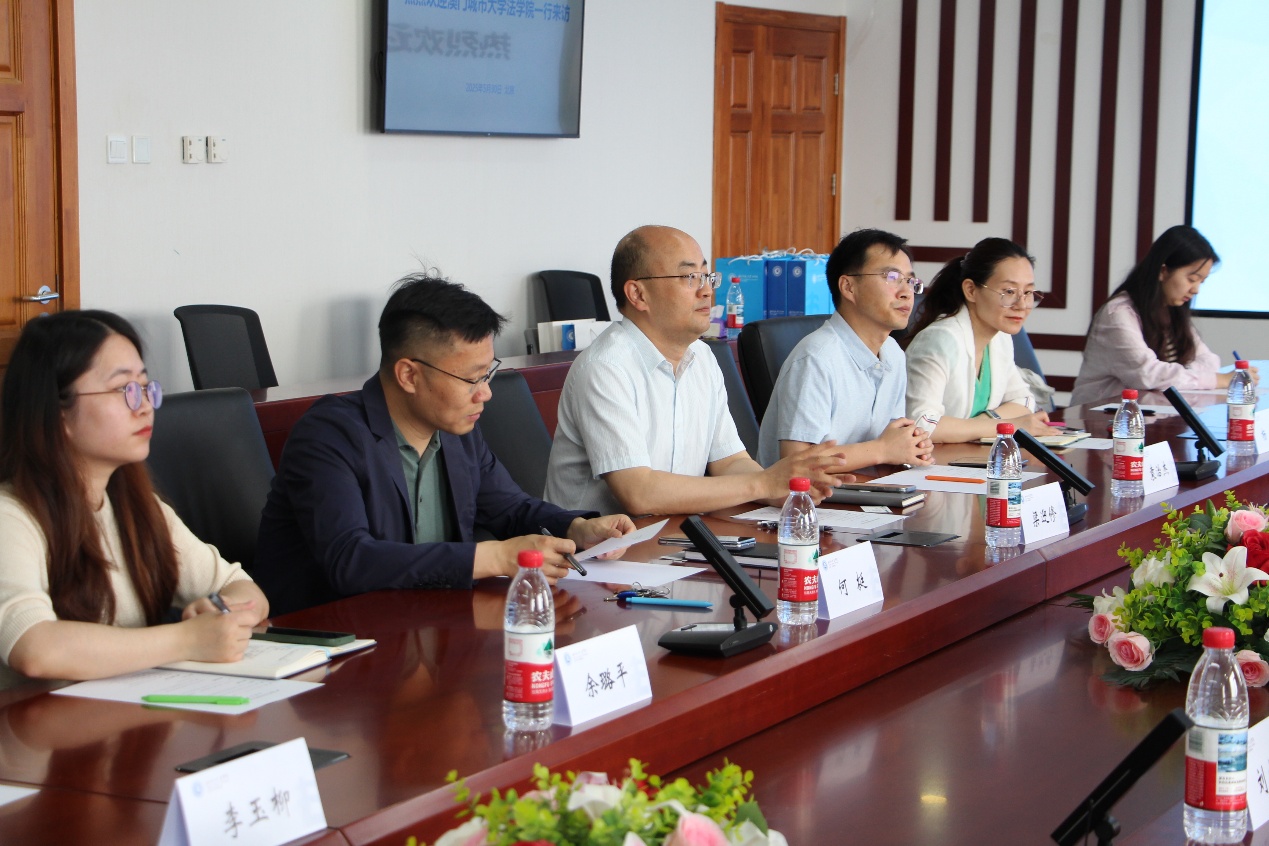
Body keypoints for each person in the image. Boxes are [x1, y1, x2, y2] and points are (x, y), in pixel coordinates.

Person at [254, 273, 634, 616]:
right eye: (471, 379)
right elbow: (351, 560)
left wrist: (576, 528)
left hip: (426, 625)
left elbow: (511, 509)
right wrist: (495, 557)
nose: (485, 393)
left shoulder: (455, 431)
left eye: (488, 374)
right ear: (409, 375)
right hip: (332, 643)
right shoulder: (328, 435)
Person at [0, 311, 269, 685]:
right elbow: (35, 648)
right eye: (123, 389)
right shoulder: (11, 517)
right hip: (38, 720)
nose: (144, 406)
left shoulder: (138, 507)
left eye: (145, 387)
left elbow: (243, 588)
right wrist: (187, 639)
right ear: (57, 412)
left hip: (130, 711)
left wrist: (222, 612)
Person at [544, 225, 852, 516]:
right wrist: (763, 484)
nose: (706, 290)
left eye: (707, 276)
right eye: (689, 277)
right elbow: (639, 493)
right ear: (638, 294)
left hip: (673, 533)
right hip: (594, 548)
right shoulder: (606, 367)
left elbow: (729, 462)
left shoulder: (702, 356)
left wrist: (785, 488)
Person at [758, 228, 936, 468]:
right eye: (892, 277)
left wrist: (911, 446)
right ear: (849, 287)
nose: (906, 293)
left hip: (868, 485)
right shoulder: (816, 358)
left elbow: (892, 439)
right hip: (811, 493)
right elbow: (796, 463)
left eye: (911, 281)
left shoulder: (893, 352)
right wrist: (884, 450)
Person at [1070, 225, 1256, 405]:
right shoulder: (1118, 314)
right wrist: (1218, 380)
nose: (1196, 290)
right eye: (1192, 279)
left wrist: (1177, 375)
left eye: (1201, 282)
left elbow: (1209, 361)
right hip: (1101, 417)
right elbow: (1148, 374)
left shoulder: (1172, 310)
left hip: (1152, 413)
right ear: (1163, 271)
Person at [904, 237, 1061, 443]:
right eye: (1009, 291)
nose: (1022, 305)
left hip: (970, 455)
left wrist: (986, 421)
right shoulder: (939, 340)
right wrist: (1007, 425)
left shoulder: (1000, 338)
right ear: (971, 290)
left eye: (1028, 292)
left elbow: (1024, 401)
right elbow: (920, 424)